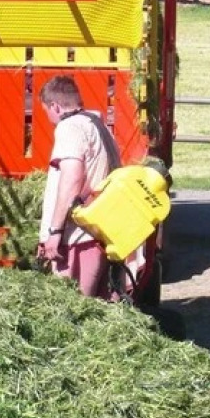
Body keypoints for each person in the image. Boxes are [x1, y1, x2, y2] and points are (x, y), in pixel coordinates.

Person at [36, 75, 120, 299]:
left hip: (77, 238)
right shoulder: (98, 125)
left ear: (55, 106)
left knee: (73, 308)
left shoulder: (70, 127)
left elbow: (72, 179)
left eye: (46, 112)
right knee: (95, 307)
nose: (49, 119)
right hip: (99, 233)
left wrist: (55, 232)